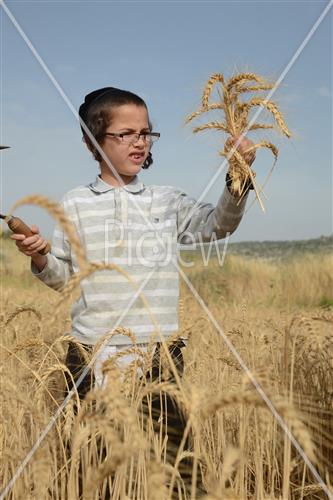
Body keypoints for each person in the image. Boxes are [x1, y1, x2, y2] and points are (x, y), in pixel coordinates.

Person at [11, 86, 255, 494]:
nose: (139, 141)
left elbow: (218, 225)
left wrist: (238, 176)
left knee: (179, 471)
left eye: (145, 132)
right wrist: (39, 258)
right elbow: (65, 279)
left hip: (160, 356)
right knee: (94, 470)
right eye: (125, 134)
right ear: (93, 141)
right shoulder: (74, 204)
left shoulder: (166, 200)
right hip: (91, 357)